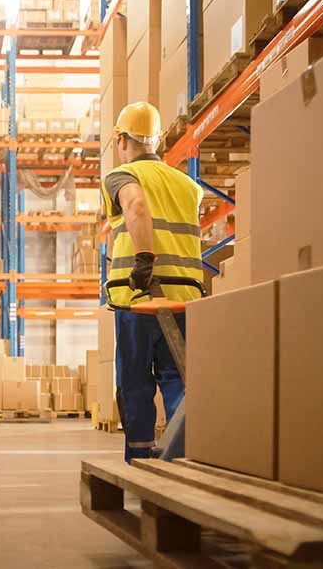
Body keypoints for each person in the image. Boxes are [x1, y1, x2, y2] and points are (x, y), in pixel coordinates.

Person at [100, 102, 204, 463]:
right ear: (157, 141)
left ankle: (140, 460)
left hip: (140, 297)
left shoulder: (122, 176)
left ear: (122, 140)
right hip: (184, 298)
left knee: (135, 384)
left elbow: (137, 207)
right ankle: (178, 458)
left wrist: (144, 259)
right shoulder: (189, 187)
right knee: (178, 380)